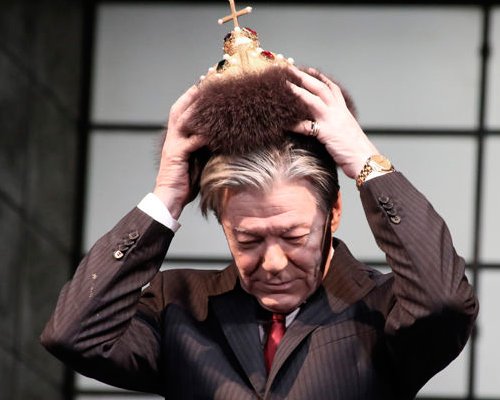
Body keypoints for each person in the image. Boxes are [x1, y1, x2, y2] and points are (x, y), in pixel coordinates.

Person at [41, 66, 478, 399]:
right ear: (223, 224)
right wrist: (166, 198)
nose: (272, 263)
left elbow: (444, 302)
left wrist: (365, 161)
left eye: (293, 236)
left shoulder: (380, 309)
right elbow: (74, 336)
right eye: (248, 240)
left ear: (334, 212)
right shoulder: (178, 306)